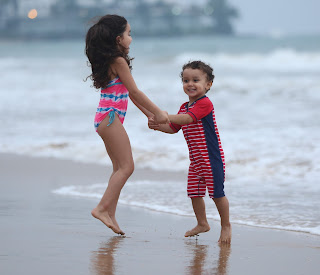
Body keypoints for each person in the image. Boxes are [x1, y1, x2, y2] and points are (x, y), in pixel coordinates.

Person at [85, 14, 169, 235]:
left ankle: (110, 213)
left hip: (105, 119)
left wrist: (149, 115)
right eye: (128, 34)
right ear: (117, 39)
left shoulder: (112, 61)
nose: (130, 38)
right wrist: (159, 112)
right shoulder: (119, 61)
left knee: (118, 169)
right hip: (110, 119)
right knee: (127, 167)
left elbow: (129, 96)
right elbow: (135, 91)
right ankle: (102, 208)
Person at [148, 61, 231, 243]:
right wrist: (158, 126)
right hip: (196, 161)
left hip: (211, 158)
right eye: (186, 80)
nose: (190, 84)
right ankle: (202, 223)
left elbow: (187, 119)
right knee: (194, 193)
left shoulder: (205, 104)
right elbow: (173, 128)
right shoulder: (183, 107)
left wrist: (165, 116)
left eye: (196, 80)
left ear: (208, 84)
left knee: (217, 193)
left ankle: (226, 226)